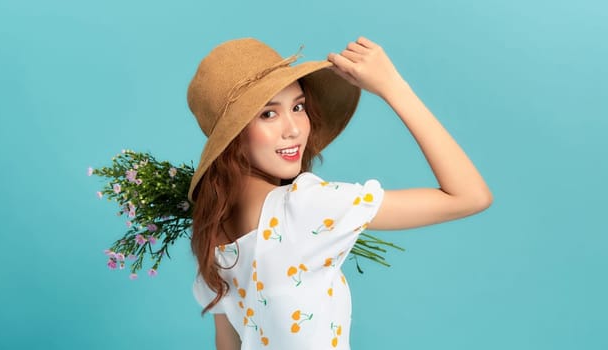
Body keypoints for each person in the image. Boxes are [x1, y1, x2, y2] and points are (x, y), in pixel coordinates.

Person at [185, 36, 491, 350]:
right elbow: (471, 196)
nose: (293, 128)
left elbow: (227, 345)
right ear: (232, 136)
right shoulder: (305, 206)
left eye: (298, 106)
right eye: (268, 114)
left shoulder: (211, 235)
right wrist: (393, 87)